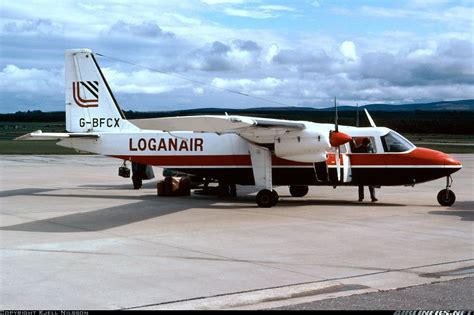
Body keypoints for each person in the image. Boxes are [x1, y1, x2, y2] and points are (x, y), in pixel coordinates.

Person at [356, 138, 378, 202]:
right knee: (362, 184)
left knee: (369, 184)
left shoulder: (370, 148)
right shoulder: (359, 149)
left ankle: (372, 197)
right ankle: (362, 197)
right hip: (362, 168)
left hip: (368, 167)